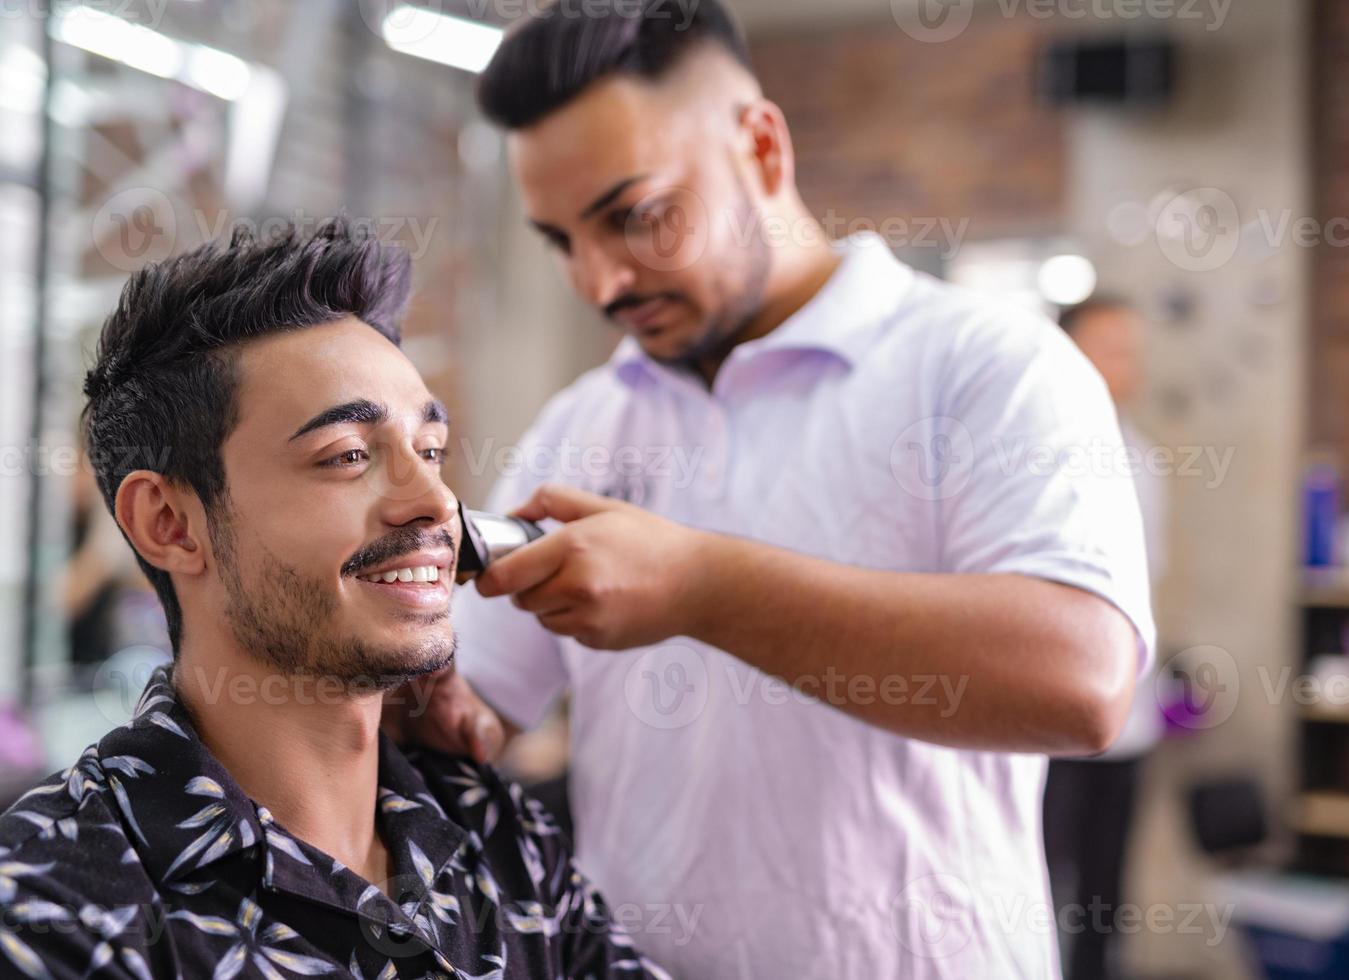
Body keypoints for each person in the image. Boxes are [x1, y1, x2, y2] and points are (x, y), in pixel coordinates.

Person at [401, 1, 1156, 975]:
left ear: (760, 146)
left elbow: (1080, 678)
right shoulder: (585, 421)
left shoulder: (985, 366)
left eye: (636, 216)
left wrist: (702, 586)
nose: (599, 280)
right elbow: (477, 703)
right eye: (561, 240)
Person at [0, 221, 667, 980]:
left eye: (431, 452)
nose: (434, 502)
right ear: (170, 524)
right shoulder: (56, 911)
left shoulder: (492, 836)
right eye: (348, 456)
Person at [1045, 296, 1168, 980]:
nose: (1126, 364)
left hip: (1131, 715)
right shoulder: (1040, 450)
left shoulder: (1140, 452)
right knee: (1044, 882)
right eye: (1110, 346)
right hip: (1055, 715)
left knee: (1104, 889)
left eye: (1132, 348)